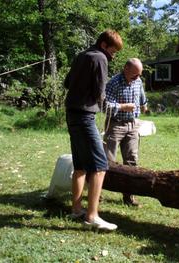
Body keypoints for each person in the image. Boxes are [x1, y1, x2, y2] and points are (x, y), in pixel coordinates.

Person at [64, 29, 123, 230]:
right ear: (104, 45)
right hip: (84, 116)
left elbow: (66, 83)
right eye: (113, 52)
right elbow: (100, 92)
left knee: (80, 165)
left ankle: (76, 209)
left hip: (71, 114)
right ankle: (92, 216)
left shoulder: (81, 55)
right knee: (100, 166)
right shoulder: (100, 58)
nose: (112, 56)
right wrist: (111, 108)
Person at [104, 58, 148, 207]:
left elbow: (141, 95)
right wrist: (123, 107)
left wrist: (144, 105)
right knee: (107, 162)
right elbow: (105, 106)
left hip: (133, 125)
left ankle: (129, 198)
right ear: (126, 69)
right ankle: (97, 195)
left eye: (139, 75)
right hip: (115, 125)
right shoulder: (113, 83)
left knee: (131, 161)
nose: (138, 78)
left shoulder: (138, 81)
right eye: (135, 74)